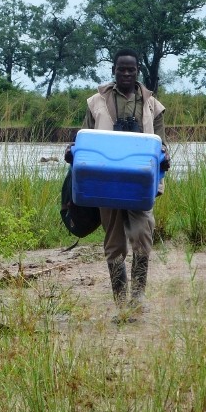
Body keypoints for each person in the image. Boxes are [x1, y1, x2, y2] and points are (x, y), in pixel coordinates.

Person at [67, 48, 170, 320]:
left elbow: (161, 145)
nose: (126, 73)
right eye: (121, 69)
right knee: (114, 243)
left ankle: (138, 297)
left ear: (137, 71)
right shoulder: (96, 102)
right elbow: (83, 139)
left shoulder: (152, 105)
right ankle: (120, 303)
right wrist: (72, 151)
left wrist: (165, 157)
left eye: (130, 69)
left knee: (143, 235)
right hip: (105, 182)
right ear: (113, 70)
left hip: (139, 183)